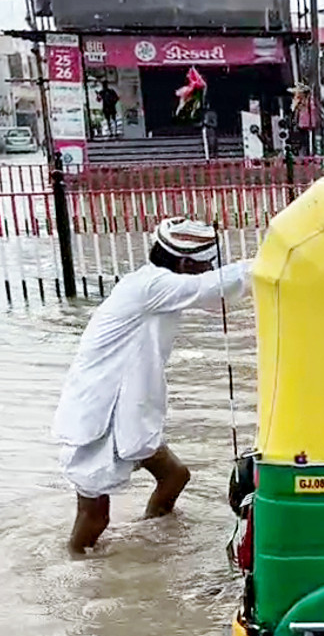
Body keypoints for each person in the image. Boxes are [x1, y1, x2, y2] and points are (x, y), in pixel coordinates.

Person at [53, 217, 253, 554]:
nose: (207, 270)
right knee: (94, 517)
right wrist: (274, 260)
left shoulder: (155, 286)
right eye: (203, 265)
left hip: (129, 410)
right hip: (101, 413)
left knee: (176, 476)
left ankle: (151, 543)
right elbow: (211, 287)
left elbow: (209, 292)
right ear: (185, 263)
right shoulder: (152, 287)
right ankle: (75, 569)